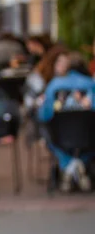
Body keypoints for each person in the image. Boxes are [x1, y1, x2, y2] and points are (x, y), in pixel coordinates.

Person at [38, 52, 95, 192]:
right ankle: (79, 164)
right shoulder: (90, 85)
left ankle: (69, 167)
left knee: (45, 132)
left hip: (60, 137)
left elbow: (44, 115)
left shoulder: (55, 85)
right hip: (89, 137)